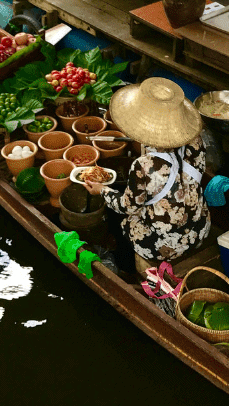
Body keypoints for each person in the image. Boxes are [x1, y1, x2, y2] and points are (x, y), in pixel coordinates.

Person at [84, 78, 211, 275]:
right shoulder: (196, 141)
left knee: (121, 216)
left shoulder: (144, 165)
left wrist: (102, 190)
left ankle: (125, 267)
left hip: (166, 245)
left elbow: (127, 206)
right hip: (199, 229)